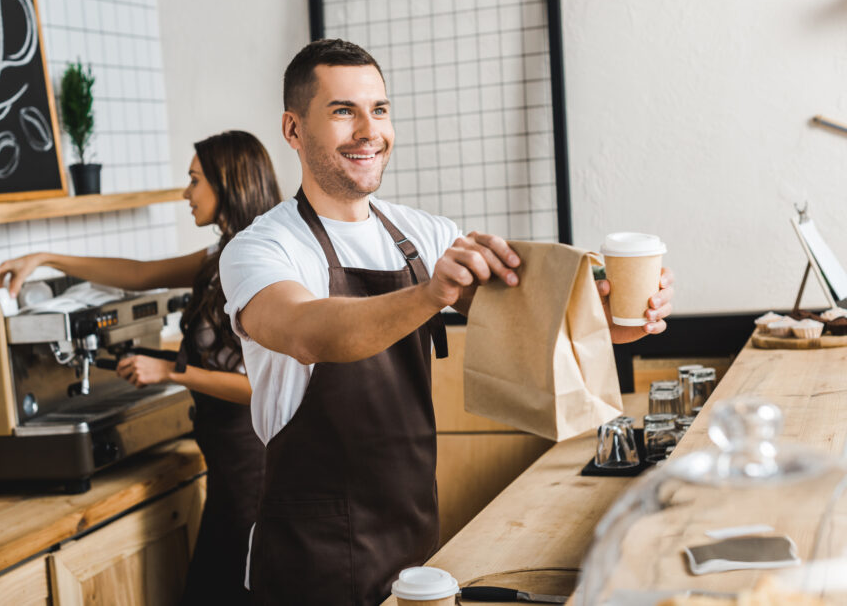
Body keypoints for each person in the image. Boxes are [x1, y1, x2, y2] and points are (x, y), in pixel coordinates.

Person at [218, 40, 675, 605]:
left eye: (379, 109)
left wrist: (623, 318)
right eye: (343, 111)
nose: (369, 130)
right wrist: (430, 293)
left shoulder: (421, 235)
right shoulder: (261, 247)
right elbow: (308, 330)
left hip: (416, 549)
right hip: (308, 567)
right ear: (293, 129)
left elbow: (537, 324)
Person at [0, 130, 281, 606]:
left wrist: (169, 373)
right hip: (229, 469)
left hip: (254, 471)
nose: (186, 193)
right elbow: (140, 274)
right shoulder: (223, 253)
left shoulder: (258, 260)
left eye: (194, 180)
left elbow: (260, 386)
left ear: (228, 183)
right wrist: (47, 258)